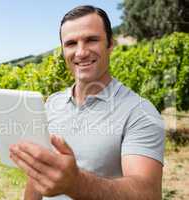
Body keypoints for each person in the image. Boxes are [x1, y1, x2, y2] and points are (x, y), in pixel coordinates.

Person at [9, 5, 165, 200]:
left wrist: (76, 183)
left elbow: (147, 194)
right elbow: (37, 175)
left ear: (110, 45)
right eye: (71, 43)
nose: (81, 52)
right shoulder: (52, 104)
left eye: (91, 40)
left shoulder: (140, 112)